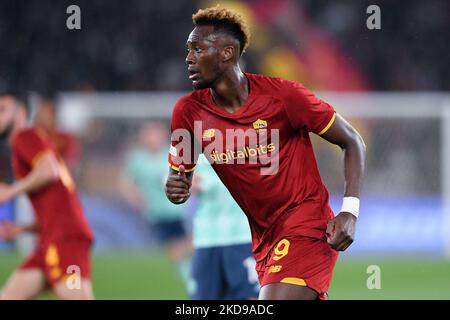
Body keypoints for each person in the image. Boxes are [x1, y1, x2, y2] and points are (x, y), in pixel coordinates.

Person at [165, 6, 366, 300]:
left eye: (198, 49)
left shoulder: (285, 97)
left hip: (306, 225)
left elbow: (352, 141)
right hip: (263, 239)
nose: (189, 58)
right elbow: (177, 181)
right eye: (188, 50)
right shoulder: (187, 111)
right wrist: (175, 188)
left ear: (227, 53)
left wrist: (350, 211)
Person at [0, 91, 94, 300]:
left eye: (3, 110)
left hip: (65, 240)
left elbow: (49, 170)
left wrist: (10, 191)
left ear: (21, 112)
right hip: (49, 239)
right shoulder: (31, 142)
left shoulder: (25, 136)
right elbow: (55, 200)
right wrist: (23, 228)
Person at [119, 121, 192, 292]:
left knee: (185, 244)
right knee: (175, 246)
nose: (152, 138)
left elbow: (188, 174)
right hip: (157, 212)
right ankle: (187, 276)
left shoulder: (171, 154)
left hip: (179, 209)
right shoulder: (137, 158)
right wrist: (134, 197)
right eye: (149, 134)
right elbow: (126, 182)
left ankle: (189, 274)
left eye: (155, 133)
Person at [190, 154, 259, 299]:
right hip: (207, 238)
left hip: (243, 235)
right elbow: (171, 178)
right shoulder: (195, 149)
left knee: (250, 297)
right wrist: (181, 182)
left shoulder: (248, 145)